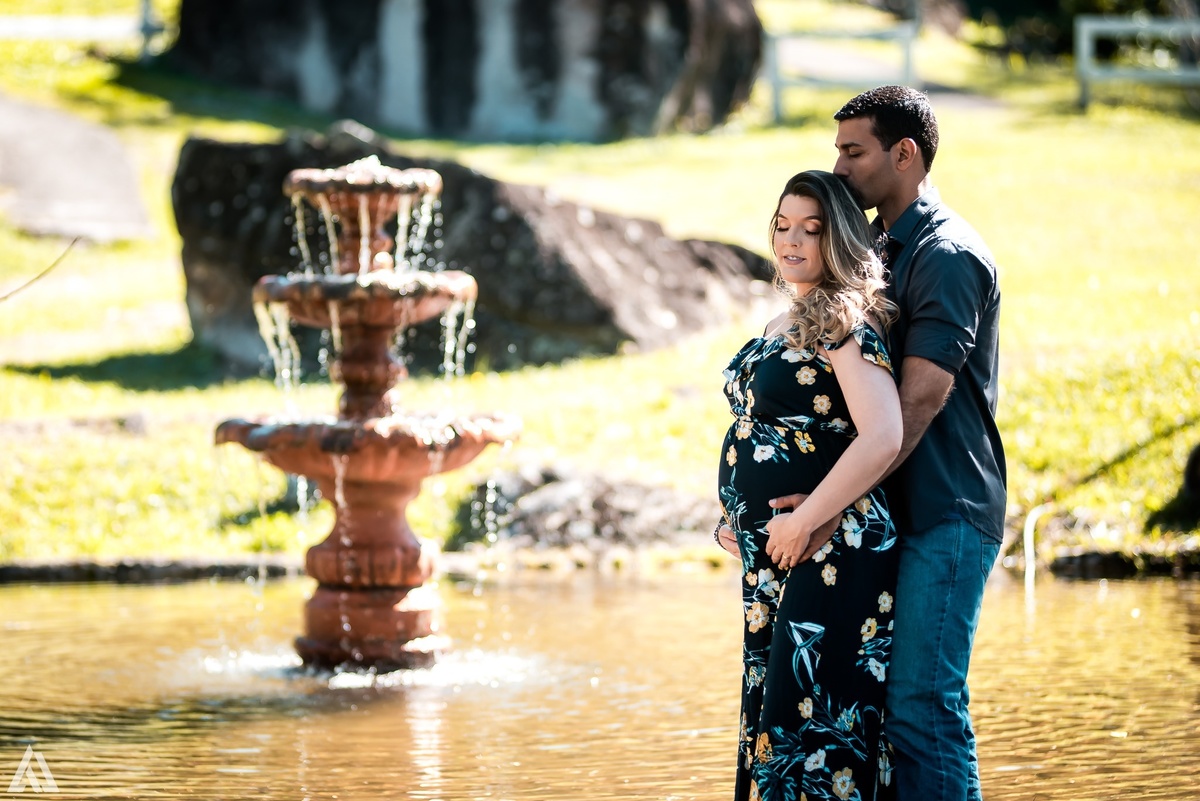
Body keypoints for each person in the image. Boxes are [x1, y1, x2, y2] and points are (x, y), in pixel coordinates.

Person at [769, 86, 1007, 801]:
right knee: (871, 707)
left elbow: (921, 397)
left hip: (944, 509)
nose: (837, 167)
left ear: (904, 155)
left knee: (923, 706)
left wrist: (835, 498)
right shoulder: (872, 249)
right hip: (879, 515)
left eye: (853, 150)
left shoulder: (949, 254)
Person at [715, 170, 903, 801]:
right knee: (773, 719)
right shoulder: (785, 320)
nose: (791, 241)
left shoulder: (844, 321)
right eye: (783, 225)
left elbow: (882, 435)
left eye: (812, 230)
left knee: (814, 727)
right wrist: (733, 513)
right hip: (781, 554)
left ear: (840, 240)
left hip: (831, 547)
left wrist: (804, 520)